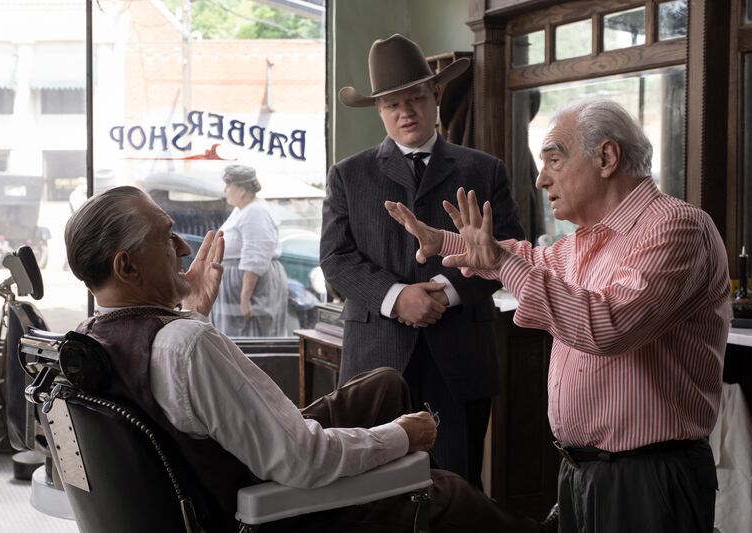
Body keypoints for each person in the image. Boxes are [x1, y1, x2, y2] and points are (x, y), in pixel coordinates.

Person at [64, 186, 539, 533]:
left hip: (214, 476)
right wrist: (400, 437)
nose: (183, 249)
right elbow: (302, 460)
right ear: (126, 266)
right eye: (167, 238)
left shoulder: (90, 341)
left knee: (385, 385)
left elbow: (178, 400)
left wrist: (193, 313)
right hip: (261, 504)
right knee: (444, 490)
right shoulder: (185, 344)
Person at [385, 98, 731, 533]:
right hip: (585, 471)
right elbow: (527, 258)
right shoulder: (584, 241)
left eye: (553, 159)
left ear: (606, 157)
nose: (540, 177)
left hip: (648, 477)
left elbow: (606, 327)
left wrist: (502, 262)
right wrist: (447, 241)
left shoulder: (676, 228)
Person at [321, 33, 524, 488]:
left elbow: (511, 247)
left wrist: (448, 294)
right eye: (393, 104)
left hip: (460, 355)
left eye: (414, 98)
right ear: (379, 111)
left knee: (457, 490)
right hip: (377, 361)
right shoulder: (349, 175)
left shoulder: (483, 169)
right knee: (374, 494)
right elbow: (335, 259)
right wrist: (397, 298)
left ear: (436, 95)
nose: (405, 112)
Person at [210, 164, 288, 337]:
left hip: (251, 287)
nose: (225, 190)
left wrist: (245, 299)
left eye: (229, 186)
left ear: (242, 190)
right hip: (236, 284)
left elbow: (255, 257)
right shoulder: (242, 209)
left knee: (251, 333)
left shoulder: (256, 211)